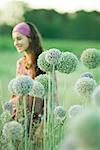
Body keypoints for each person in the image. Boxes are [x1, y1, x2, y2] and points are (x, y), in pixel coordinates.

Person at [11, 22, 58, 146]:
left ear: (30, 38)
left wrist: (43, 125)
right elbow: (15, 94)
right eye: (14, 39)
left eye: (19, 38)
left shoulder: (45, 62)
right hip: (19, 118)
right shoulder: (20, 63)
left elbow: (52, 96)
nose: (16, 43)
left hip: (38, 120)